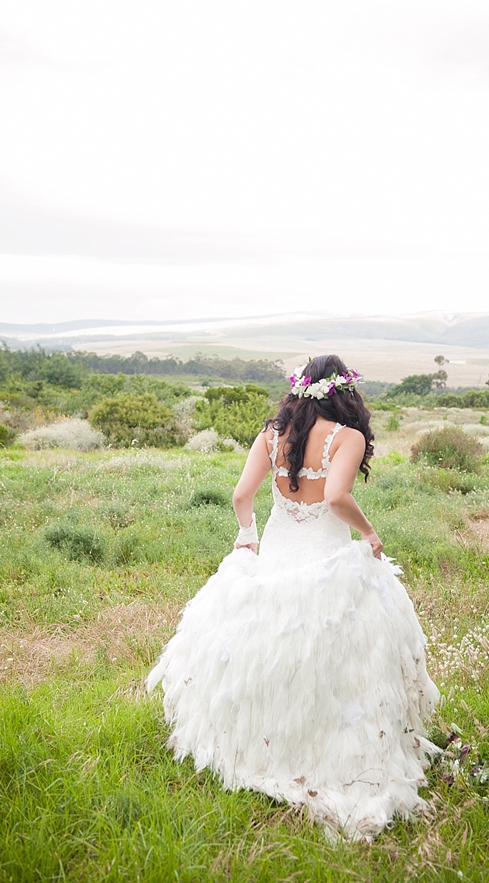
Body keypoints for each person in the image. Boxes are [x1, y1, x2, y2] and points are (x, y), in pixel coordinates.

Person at [148, 355, 439, 840]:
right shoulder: (348, 437)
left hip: (278, 559)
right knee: (333, 660)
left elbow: (243, 495)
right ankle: (329, 754)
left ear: (300, 390)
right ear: (344, 392)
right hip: (325, 564)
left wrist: (248, 536)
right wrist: (370, 534)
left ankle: (259, 746)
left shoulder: (271, 434)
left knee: (268, 656)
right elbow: (336, 499)